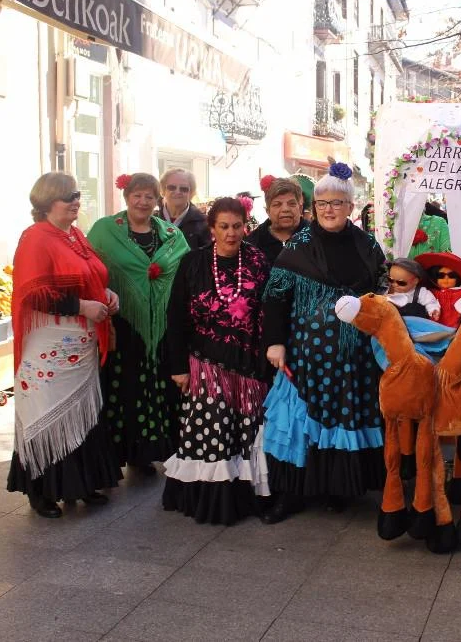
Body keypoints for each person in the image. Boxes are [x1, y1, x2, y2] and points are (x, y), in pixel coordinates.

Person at [260, 162, 388, 522]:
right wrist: (275, 342)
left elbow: (382, 289)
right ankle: (291, 494)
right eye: (322, 204)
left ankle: (337, 488)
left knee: (343, 418)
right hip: (307, 356)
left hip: (355, 357)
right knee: (299, 422)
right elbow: (275, 298)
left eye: (336, 203)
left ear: (350, 206)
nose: (329, 210)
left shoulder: (368, 245)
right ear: (313, 207)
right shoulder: (297, 246)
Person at [7, 172, 122, 518]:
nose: (76, 201)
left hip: (81, 346)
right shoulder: (35, 238)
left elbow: (90, 276)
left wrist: (105, 294)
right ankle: (41, 490)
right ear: (47, 202)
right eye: (68, 196)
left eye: (77, 195)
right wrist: (82, 306)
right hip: (49, 347)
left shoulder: (75, 235)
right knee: (46, 413)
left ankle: (81, 483)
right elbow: (34, 293)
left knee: (81, 414)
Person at [161, 198, 273, 525]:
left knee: (248, 433)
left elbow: (269, 311)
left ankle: (247, 498)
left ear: (246, 227)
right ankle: (210, 500)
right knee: (212, 432)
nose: (231, 233)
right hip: (205, 362)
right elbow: (176, 316)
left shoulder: (258, 261)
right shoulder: (193, 263)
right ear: (212, 228)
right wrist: (178, 367)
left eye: (237, 226)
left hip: (248, 364)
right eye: (223, 226)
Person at [88, 173, 190, 473]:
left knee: (160, 389)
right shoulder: (105, 230)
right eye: (137, 195)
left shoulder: (171, 234)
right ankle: (126, 452)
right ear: (126, 197)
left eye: (149, 196)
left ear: (158, 200)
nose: (143, 202)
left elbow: (187, 271)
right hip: (123, 326)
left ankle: (152, 451)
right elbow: (89, 270)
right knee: (126, 390)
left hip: (163, 327)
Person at [245, 176, 309, 265]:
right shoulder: (253, 243)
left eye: (291, 204)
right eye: (277, 204)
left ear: (300, 208)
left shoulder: (315, 236)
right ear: (268, 211)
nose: (285, 209)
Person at [157, 168, 210, 250]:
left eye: (184, 189)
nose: (178, 192)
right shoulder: (151, 220)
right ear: (163, 190)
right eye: (172, 187)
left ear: (191, 193)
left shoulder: (204, 223)